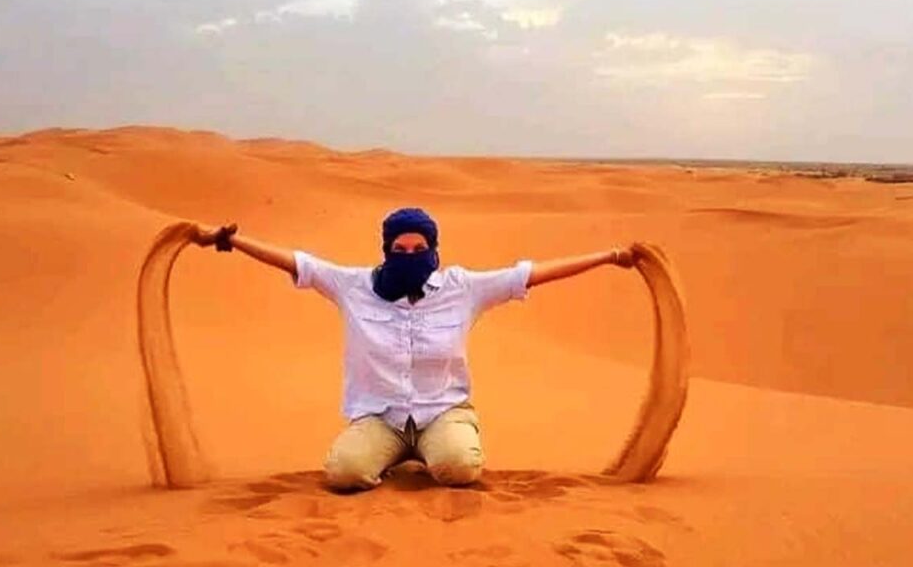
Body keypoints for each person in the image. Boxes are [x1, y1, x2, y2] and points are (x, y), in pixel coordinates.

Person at [194, 207, 636, 491]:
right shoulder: (353, 286)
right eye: (400, 248)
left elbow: (531, 274)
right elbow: (297, 263)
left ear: (434, 251)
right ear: (386, 250)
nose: (410, 255)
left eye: (419, 248)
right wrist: (228, 240)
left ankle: (438, 446)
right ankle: (394, 454)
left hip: (441, 411)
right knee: (345, 474)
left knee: (458, 469)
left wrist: (610, 256)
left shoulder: (463, 288)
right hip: (381, 418)